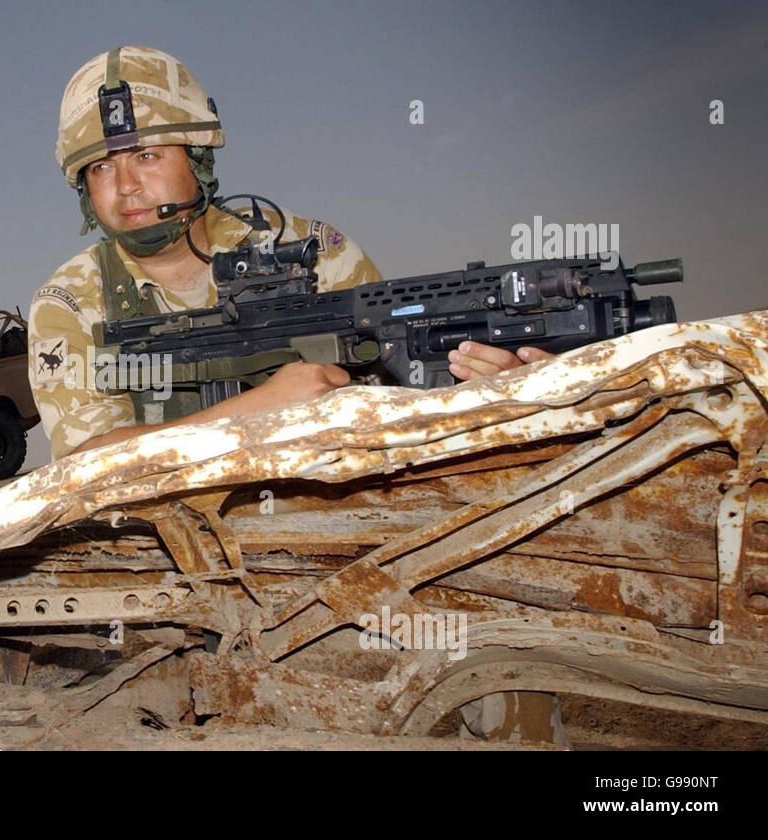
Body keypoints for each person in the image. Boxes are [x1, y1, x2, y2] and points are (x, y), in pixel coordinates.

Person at [29, 45, 564, 744]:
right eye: (100, 168)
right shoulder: (70, 304)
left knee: (502, 684)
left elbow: (409, 402)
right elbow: (88, 471)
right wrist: (255, 411)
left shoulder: (312, 249)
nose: (124, 187)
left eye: (147, 156)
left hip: (356, 545)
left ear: (198, 155)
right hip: (183, 582)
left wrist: (485, 391)